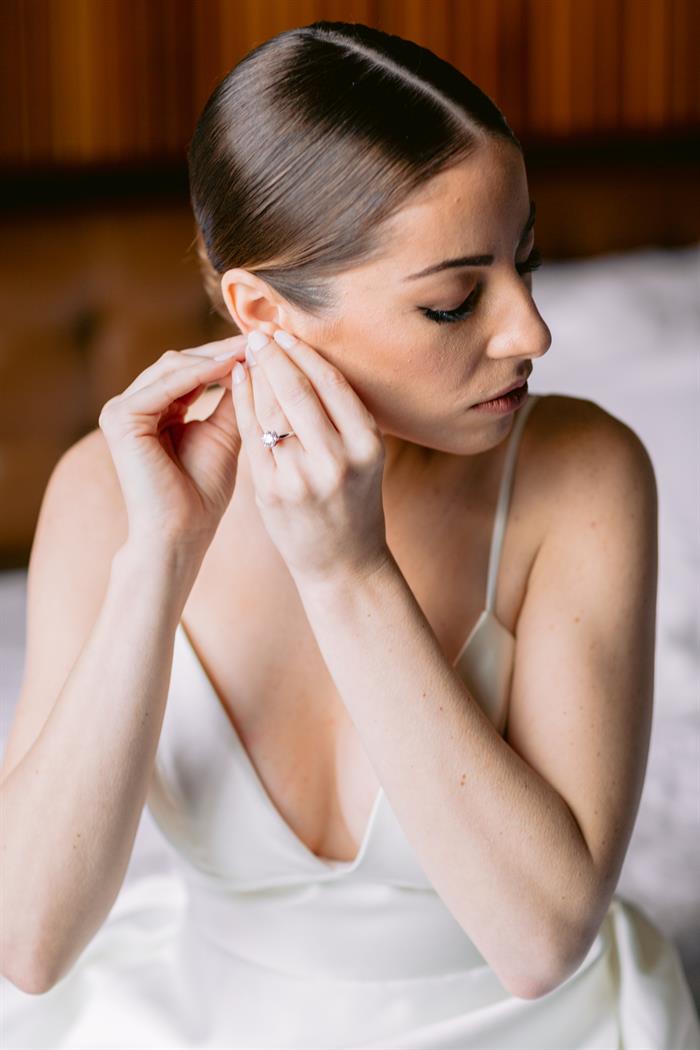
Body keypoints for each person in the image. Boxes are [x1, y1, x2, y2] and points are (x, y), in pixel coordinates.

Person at [1, 19, 699, 1050]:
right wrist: (158, 559)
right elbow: (29, 944)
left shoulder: (583, 474)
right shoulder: (106, 496)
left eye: (528, 261)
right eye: (454, 301)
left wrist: (349, 571)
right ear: (263, 311)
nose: (531, 332)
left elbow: (542, 942)